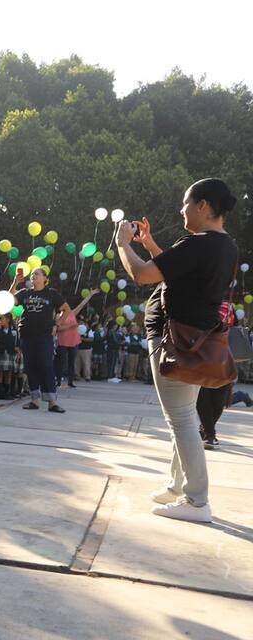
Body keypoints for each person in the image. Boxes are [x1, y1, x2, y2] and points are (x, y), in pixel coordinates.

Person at [116, 178, 239, 523]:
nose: (181, 210)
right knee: (183, 417)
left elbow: (142, 275)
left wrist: (124, 244)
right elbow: (174, 272)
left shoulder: (199, 243)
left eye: (186, 203)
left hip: (175, 342)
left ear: (202, 206)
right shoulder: (224, 245)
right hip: (197, 341)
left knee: (181, 420)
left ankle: (197, 501)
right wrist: (151, 243)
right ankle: (176, 485)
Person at [10, 268, 71, 413]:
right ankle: (34, 401)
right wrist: (15, 282)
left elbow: (67, 309)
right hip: (26, 335)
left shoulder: (51, 293)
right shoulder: (25, 292)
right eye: (32, 274)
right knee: (31, 367)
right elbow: (8, 300)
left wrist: (57, 324)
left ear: (45, 278)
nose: (33, 276)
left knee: (46, 366)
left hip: (44, 335)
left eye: (37, 273)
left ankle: (52, 402)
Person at [55, 290, 96, 388]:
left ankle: (70, 381)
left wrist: (90, 294)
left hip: (73, 341)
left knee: (71, 362)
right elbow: (58, 328)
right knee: (61, 361)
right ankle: (58, 380)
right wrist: (71, 326)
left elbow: (82, 304)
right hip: (63, 341)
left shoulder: (72, 313)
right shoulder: (58, 316)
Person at [0, 313, 20, 399]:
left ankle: (7, 393)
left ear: (8, 319)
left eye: (2, 319)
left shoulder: (13, 330)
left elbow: (17, 342)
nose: (0, 321)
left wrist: (18, 350)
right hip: (1, 353)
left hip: (10, 353)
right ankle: (0, 394)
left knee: (8, 374)